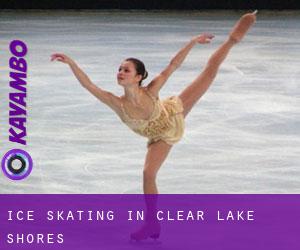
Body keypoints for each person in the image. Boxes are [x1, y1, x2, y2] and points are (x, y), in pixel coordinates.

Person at [51, 11, 257, 240]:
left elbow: (174, 65)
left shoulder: (151, 90)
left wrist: (192, 42)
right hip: (161, 137)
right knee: (148, 174)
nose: (120, 73)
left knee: (208, 72)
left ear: (138, 77)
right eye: (119, 69)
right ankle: (151, 223)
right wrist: (71, 63)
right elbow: (88, 85)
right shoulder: (116, 103)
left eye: (126, 70)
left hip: (175, 112)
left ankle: (232, 39)